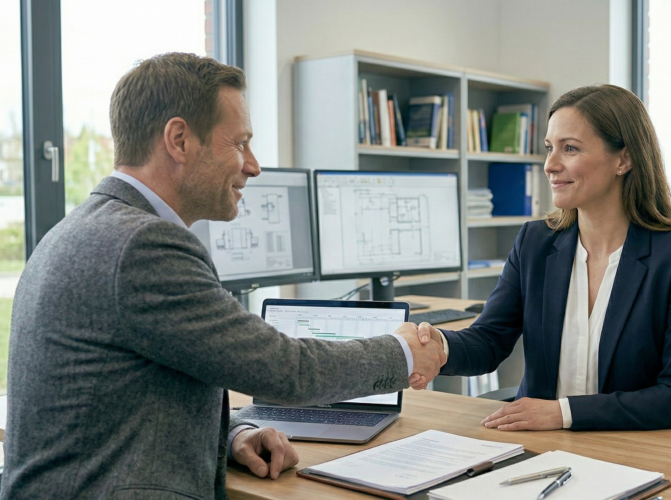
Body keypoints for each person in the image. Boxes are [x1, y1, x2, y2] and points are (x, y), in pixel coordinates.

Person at [0, 53, 445, 500]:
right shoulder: (143, 245)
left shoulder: (82, 227)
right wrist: (401, 353)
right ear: (179, 140)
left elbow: (133, 393)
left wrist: (234, 434)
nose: (252, 165)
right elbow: (286, 370)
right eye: (239, 144)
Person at [415, 84, 671, 431]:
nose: (550, 165)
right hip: (540, 447)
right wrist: (441, 346)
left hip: (632, 452)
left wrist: (562, 413)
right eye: (549, 148)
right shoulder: (535, 242)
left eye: (570, 148)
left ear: (624, 159)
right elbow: (490, 339)